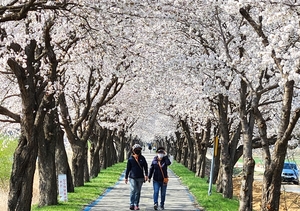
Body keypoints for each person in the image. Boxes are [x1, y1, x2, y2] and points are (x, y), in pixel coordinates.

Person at [125, 144, 148, 210]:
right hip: (132, 177)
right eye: (136, 150)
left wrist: (146, 175)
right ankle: (131, 204)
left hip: (140, 177)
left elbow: (145, 167)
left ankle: (136, 204)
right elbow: (128, 169)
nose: (137, 151)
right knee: (133, 190)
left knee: (138, 191)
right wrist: (126, 177)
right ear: (133, 151)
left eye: (139, 150)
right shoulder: (130, 159)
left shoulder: (142, 158)